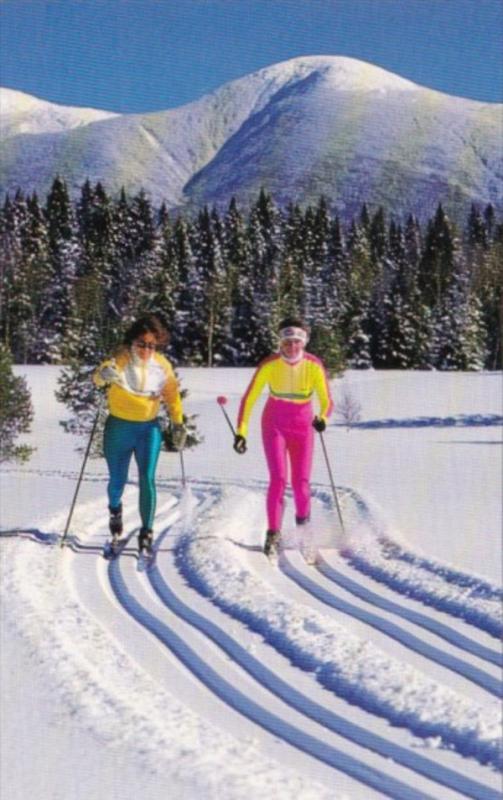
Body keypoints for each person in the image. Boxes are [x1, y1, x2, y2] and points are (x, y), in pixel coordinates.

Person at [233, 317, 333, 556]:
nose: (291, 347)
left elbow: (327, 400)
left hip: (303, 426)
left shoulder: (313, 365)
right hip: (274, 424)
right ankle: (273, 533)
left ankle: (304, 531)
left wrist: (322, 419)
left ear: (304, 342)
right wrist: (241, 432)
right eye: (287, 342)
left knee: (301, 483)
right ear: (280, 342)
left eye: (296, 342)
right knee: (278, 479)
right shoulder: (269, 364)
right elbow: (249, 398)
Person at [93, 314, 186, 553]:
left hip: (148, 428)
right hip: (119, 427)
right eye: (141, 344)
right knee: (117, 480)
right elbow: (100, 375)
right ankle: (115, 510)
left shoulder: (162, 365)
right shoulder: (121, 359)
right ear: (132, 343)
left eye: (151, 345)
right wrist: (102, 376)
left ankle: (146, 531)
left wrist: (177, 423)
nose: (146, 349)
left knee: (148, 478)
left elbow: (172, 395)